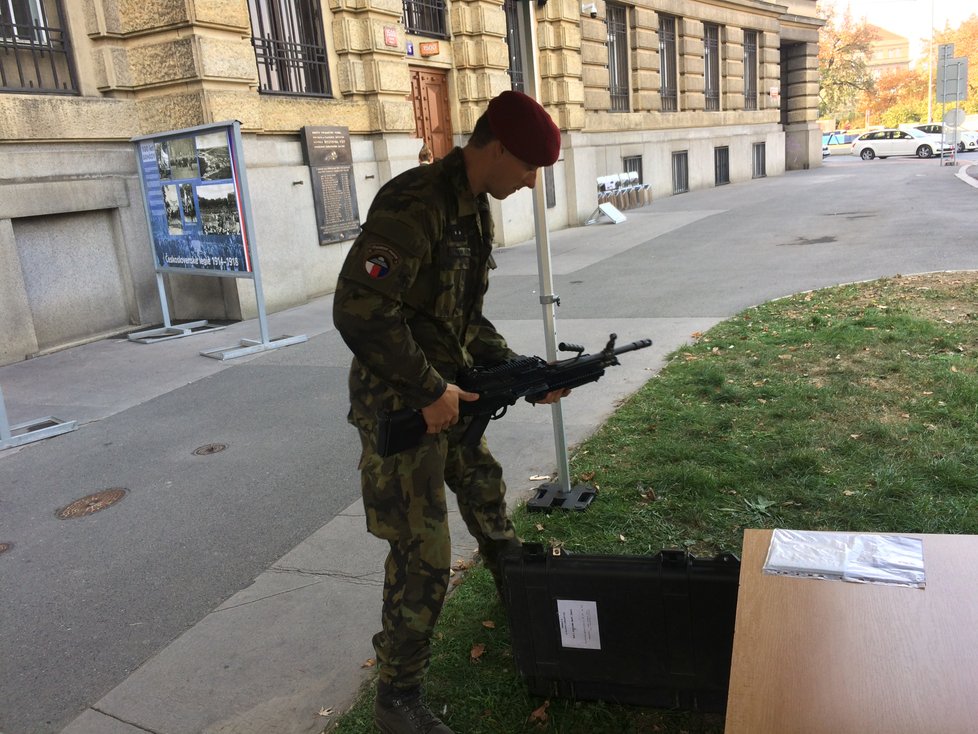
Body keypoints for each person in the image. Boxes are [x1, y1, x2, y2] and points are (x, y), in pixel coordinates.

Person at [332, 91, 566, 734]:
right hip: (400, 406)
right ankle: (398, 699)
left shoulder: (475, 211)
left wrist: (521, 372)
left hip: (449, 394)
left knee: (487, 493)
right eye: (526, 167)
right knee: (423, 552)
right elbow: (358, 309)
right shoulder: (415, 203)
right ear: (494, 149)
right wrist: (430, 388)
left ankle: (526, 616)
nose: (530, 181)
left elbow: (461, 319)